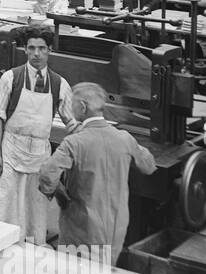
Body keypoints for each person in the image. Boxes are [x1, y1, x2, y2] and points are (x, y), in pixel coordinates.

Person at [37, 82, 157, 263]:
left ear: (82, 107)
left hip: (81, 230)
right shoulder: (124, 138)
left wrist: (58, 193)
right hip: (115, 229)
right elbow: (148, 165)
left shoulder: (73, 143)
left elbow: (47, 174)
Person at [0, 25, 76, 245]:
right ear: (25, 50)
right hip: (10, 152)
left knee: (36, 211)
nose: (36, 54)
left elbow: (72, 124)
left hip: (39, 158)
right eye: (31, 48)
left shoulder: (60, 84)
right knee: (4, 208)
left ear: (49, 51)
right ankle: (1, 253)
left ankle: (30, 258)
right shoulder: (10, 78)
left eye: (41, 48)